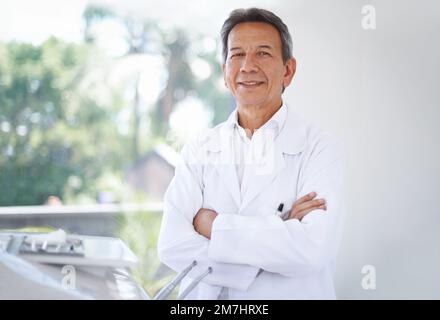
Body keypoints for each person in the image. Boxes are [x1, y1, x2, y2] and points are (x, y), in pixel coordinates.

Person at [158, 7, 345, 299]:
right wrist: (269, 246)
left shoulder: (320, 149)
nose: (247, 66)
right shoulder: (200, 148)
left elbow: (311, 248)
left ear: (288, 70)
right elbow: (171, 243)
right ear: (224, 72)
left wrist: (214, 226)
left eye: (263, 53)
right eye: (237, 55)